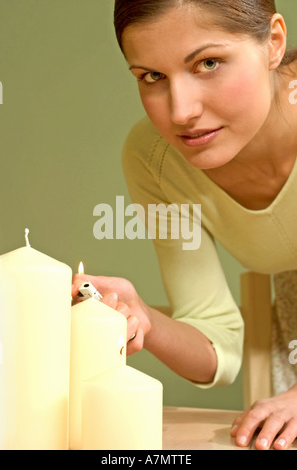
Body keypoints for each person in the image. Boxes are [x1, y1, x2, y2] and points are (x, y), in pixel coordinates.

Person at [72, 0, 297, 450]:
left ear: (273, 43)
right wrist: (145, 319)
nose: (180, 112)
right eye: (151, 76)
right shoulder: (155, 160)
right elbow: (220, 348)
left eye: (208, 63)